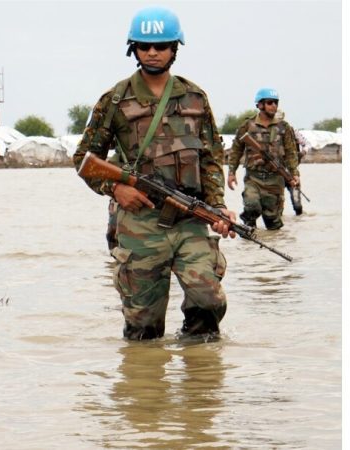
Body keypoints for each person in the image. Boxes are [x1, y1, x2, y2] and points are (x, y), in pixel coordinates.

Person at [73, 6, 235, 341]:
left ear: (175, 48)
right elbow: (84, 159)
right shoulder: (115, 99)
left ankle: (199, 379)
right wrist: (116, 190)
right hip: (141, 222)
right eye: (144, 46)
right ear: (133, 49)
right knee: (143, 327)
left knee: (208, 301)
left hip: (189, 218)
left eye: (161, 46)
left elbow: (210, 158)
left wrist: (217, 206)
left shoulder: (195, 97)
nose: (152, 52)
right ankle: (147, 388)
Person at [227, 88, 301, 229]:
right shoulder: (247, 126)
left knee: (273, 222)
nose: (274, 106)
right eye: (269, 102)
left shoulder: (283, 127)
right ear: (260, 105)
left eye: (276, 103)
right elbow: (236, 150)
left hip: (275, 178)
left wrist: (295, 174)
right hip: (253, 178)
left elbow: (291, 152)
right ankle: (248, 238)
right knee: (252, 206)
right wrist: (231, 172)